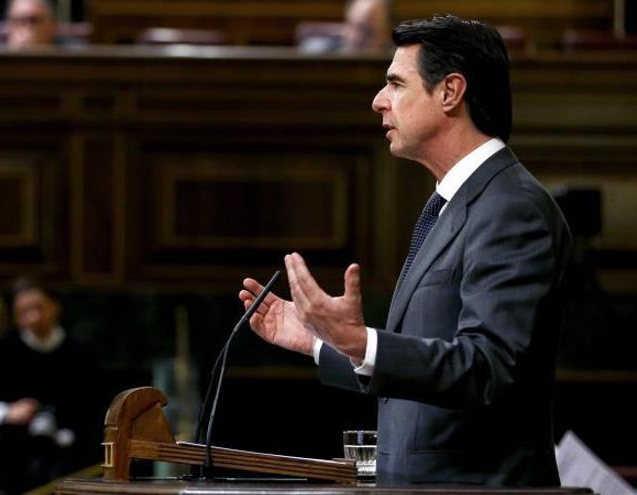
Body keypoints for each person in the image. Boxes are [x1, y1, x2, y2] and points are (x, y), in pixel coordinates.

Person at [240, 14, 571, 486]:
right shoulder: (453, 204)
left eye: (396, 83)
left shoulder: (511, 208)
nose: (378, 101)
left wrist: (361, 341)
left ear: (450, 92)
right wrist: (318, 343)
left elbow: (489, 368)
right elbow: (427, 364)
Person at [0, 277, 99, 494]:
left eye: (40, 308)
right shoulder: (6, 348)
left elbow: (89, 405)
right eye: (24, 312)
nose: (34, 318)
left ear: (55, 307)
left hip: (69, 450)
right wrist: (10, 411)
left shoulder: (79, 352)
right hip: (20, 450)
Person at [299, 0, 391, 54]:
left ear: (385, 35)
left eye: (368, 32)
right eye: (355, 28)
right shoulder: (318, 54)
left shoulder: (395, 64)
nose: (358, 39)